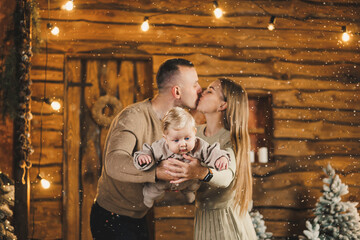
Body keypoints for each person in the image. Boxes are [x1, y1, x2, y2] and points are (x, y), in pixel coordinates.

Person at [89, 58, 202, 240]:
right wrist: (157, 172)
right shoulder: (133, 117)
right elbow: (113, 162)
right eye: (195, 84)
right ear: (177, 91)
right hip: (111, 218)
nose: (199, 89)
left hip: (139, 216)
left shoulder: (178, 125)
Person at [163, 78, 257, 239]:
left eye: (210, 90)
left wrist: (201, 172)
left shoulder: (230, 139)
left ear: (222, 105)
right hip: (203, 218)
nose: (202, 93)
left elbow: (226, 176)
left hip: (227, 224)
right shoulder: (193, 134)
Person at [133, 107, 230, 208]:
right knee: (154, 190)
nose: (183, 144)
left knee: (194, 185)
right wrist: (144, 157)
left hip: (188, 180)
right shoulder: (160, 146)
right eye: (176, 140)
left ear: (194, 132)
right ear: (166, 139)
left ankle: (188, 192)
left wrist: (220, 158)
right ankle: (149, 196)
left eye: (187, 138)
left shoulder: (199, 145)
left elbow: (211, 152)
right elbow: (149, 151)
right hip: (164, 181)